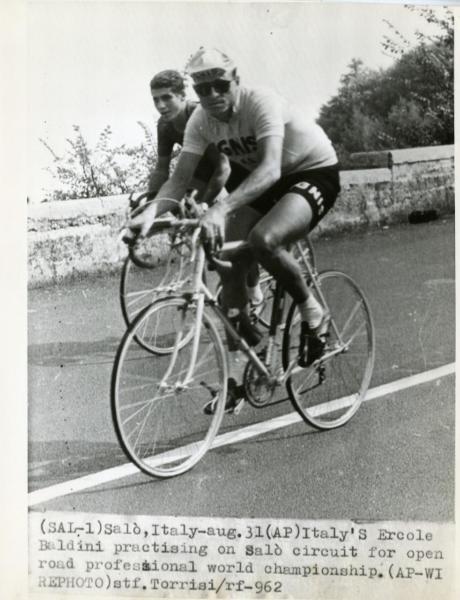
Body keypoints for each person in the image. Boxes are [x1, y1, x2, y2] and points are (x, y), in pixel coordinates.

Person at [128, 48, 340, 412]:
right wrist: (149, 215)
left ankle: (312, 311)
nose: (211, 95)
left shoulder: (260, 102)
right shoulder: (200, 122)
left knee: (264, 240)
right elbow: (178, 180)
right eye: (202, 88)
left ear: (235, 79)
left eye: (219, 85)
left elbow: (271, 169)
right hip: (260, 181)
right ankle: (242, 373)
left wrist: (220, 208)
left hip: (308, 172)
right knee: (226, 263)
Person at [134, 68, 264, 309]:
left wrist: (206, 203)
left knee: (234, 241)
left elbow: (223, 169)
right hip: (199, 172)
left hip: (230, 170)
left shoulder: (201, 114)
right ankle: (199, 296)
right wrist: (152, 205)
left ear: (183, 95)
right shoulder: (165, 125)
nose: (161, 105)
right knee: (192, 233)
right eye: (155, 99)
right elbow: (162, 170)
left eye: (167, 98)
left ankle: (253, 286)